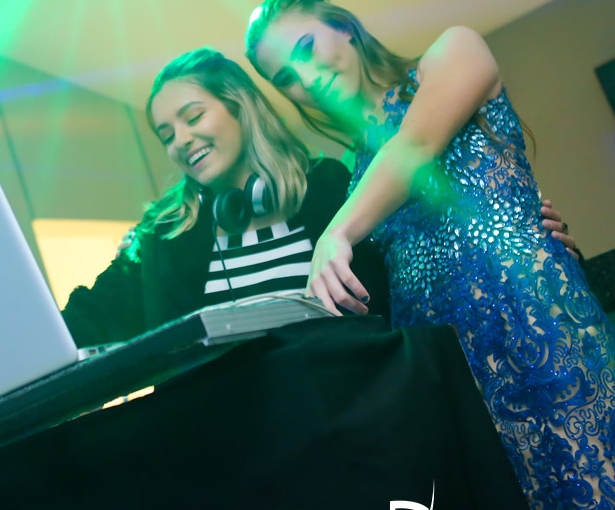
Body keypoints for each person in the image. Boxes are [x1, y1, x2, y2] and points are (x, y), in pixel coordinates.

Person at [244, 0, 615, 510]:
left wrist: (337, 233)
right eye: (286, 77)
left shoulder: (454, 51)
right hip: (452, 373)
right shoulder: (352, 176)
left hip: (538, 329)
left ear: (343, 27)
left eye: (306, 47)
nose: (306, 76)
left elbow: (418, 142)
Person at [62, 47, 390, 348]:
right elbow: (90, 320)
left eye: (193, 118)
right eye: (167, 136)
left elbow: (383, 299)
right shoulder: (162, 232)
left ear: (239, 107)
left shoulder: (327, 185)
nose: (181, 141)